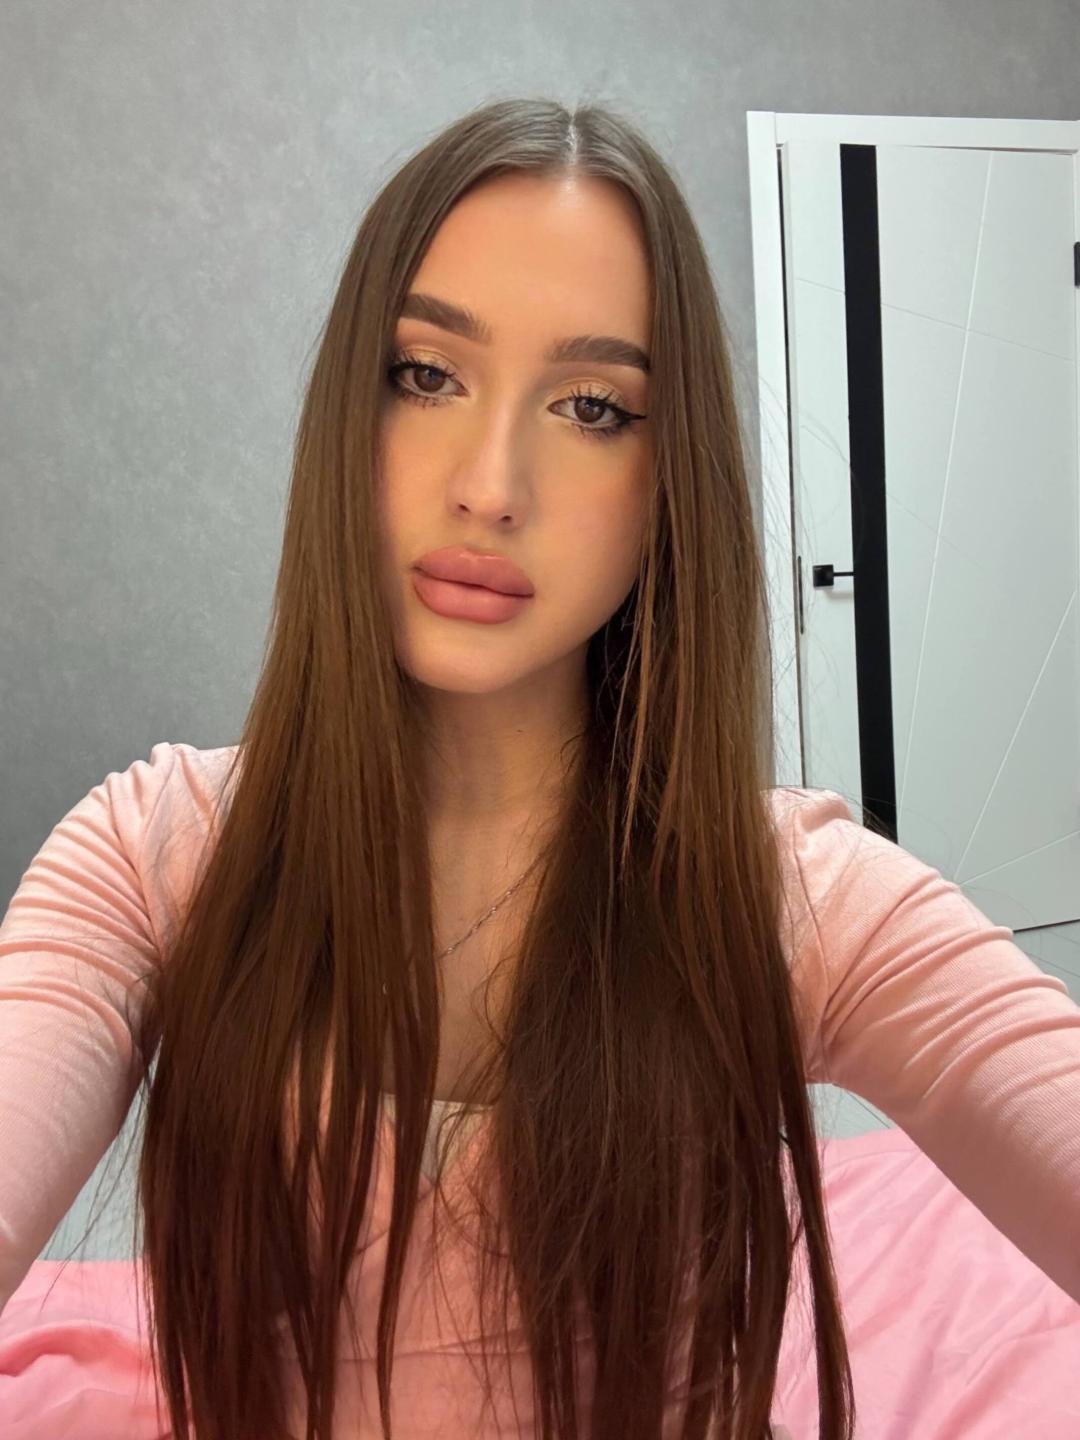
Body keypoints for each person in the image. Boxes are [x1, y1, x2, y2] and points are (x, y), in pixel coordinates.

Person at [1, 97, 1078, 1440]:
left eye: (591, 406)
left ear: (668, 481)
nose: (490, 485)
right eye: (426, 374)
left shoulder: (781, 892)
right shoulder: (153, 851)